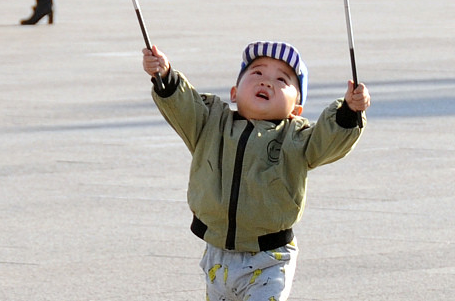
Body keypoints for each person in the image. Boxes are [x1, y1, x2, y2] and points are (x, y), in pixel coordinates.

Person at [141, 41, 369, 301]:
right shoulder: (209, 123)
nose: (267, 82)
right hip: (217, 256)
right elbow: (182, 104)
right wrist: (164, 75)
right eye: (257, 73)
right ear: (235, 92)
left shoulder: (297, 138)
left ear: (296, 109)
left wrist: (350, 111)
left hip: (269, 259)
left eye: (282, 80)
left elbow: (330, 139)